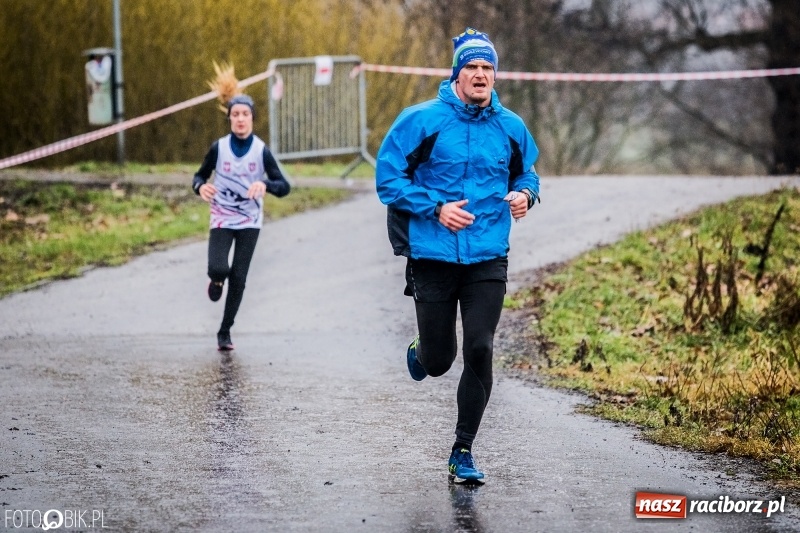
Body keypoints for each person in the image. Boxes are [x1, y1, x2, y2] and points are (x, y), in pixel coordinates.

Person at [376, 27, 541, 485]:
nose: (481, 75)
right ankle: (422, 350)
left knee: (480, 348)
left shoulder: (511, 126)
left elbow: (526, 172)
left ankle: (462, 450)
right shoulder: (421, 120)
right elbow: (387, 179)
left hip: (488, 255)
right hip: (432, 254)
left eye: (488, 67)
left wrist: (527, 194)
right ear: (456, 74)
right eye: (472, 67)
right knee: (439, 361)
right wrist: (435, 207)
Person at [193, 63, 290, 351]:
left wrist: (266, 185)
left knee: (240, 277)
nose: (240, 119)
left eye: (245, 114)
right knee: (219, 267)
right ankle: (216, 280)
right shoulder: (218, 148)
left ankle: (225, 331)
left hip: (250, 220)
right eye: (235, 115)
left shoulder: (261, 151)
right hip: (222, 216)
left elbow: (284, 186)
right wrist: (201, 187)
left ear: (252, 119)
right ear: (230, 119)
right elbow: (199, 175)